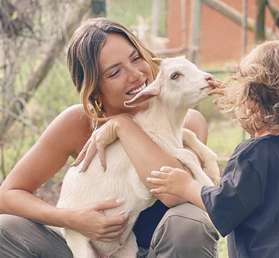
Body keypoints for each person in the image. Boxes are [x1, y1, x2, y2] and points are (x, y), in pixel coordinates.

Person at [0, 18, 218, 258]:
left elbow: (173, 193)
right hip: (86, 249)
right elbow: (8, 195)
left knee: (190, 223)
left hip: (159, 250)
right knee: (5, 228)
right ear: (94, 90)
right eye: (115, 72)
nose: (136, 74)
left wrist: (122, 125)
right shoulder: (78, 123)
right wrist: (73, 219)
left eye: (136, 58)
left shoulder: (186, 121)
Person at [145, 39, 279, 258]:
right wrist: (229, 94)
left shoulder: (253, 155)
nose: (237, 93)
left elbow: (224, 207)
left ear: (254, 99)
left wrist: (186, 186)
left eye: (241, 86)